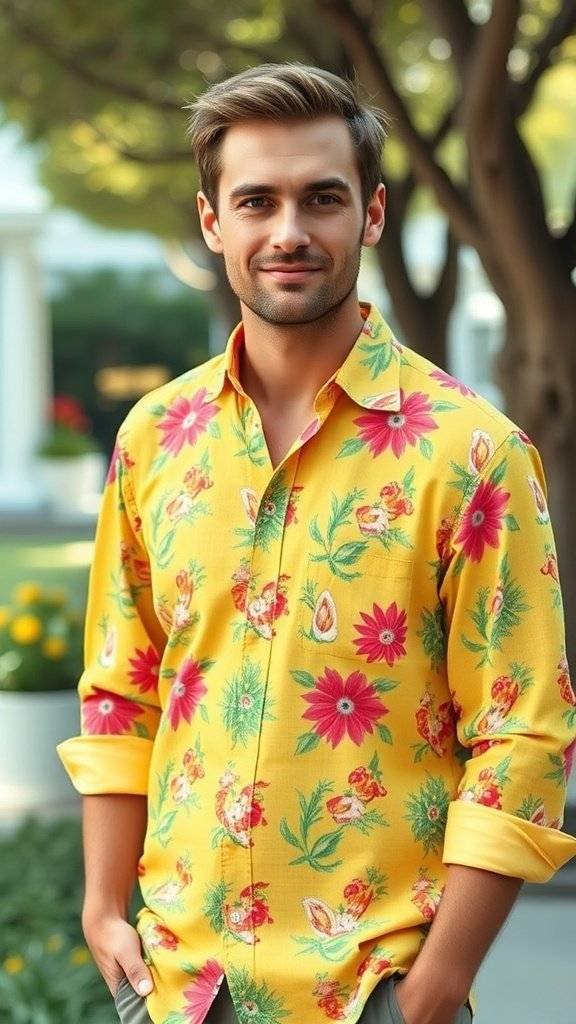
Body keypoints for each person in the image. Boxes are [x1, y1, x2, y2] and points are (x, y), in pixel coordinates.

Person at [57, 63, 576, 1024]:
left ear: (371, 215)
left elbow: (524, 734)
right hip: (177, 989)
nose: (289, 231)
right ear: (214, 224)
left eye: (321, 199)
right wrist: (101, 905)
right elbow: (123, 687)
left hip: (377, 992)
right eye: (257, 200)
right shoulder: (154, 440)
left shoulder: (472, 452)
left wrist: (435, 991)